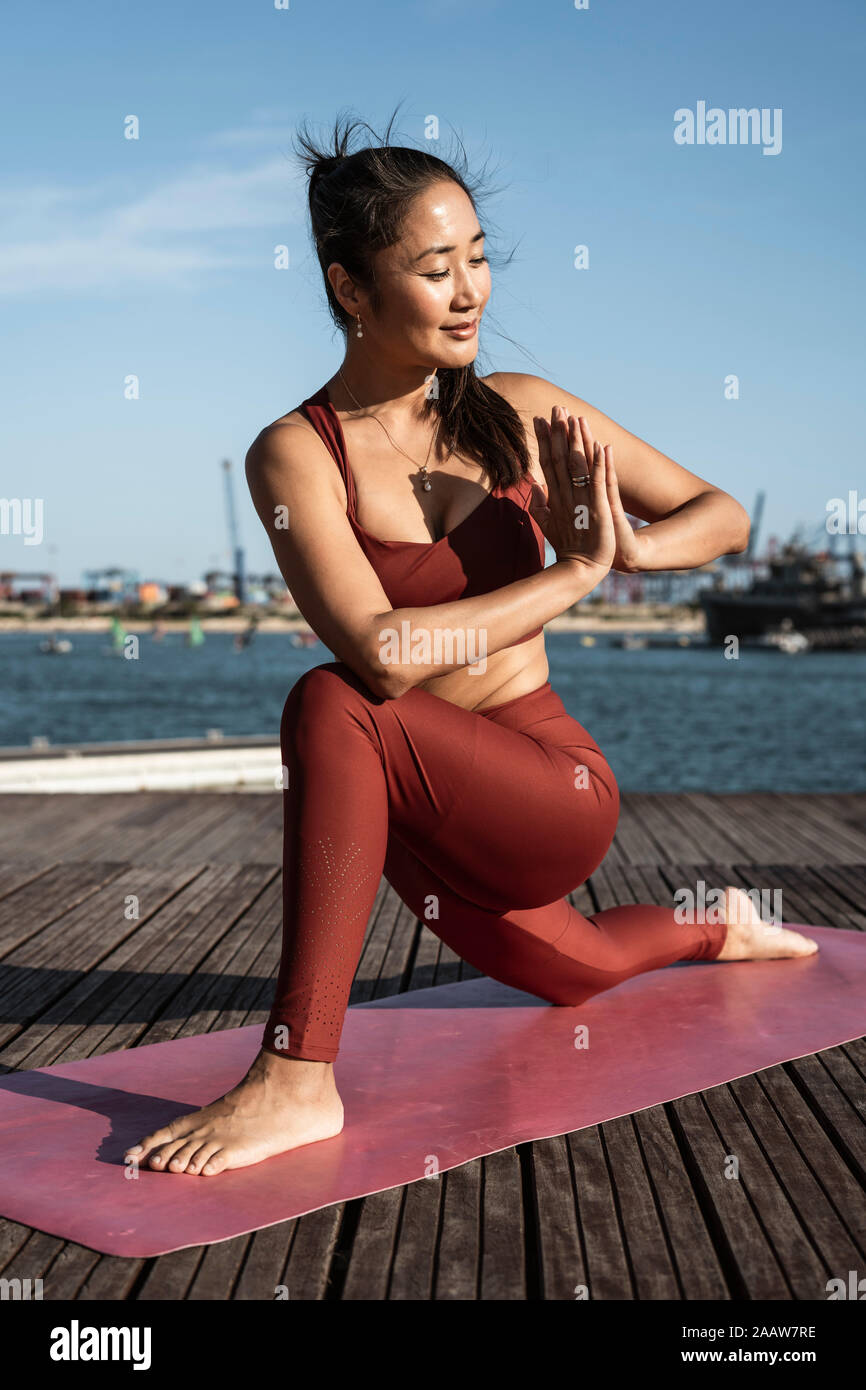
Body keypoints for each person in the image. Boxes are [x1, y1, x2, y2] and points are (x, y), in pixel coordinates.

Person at [126, 113, 816, 1178]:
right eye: (435, 268)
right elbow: (385, 649)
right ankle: (713, 925)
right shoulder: (295, 455)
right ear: (350, 288)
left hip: (551, 792)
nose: (471, 291)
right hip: (424, 806)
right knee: (576, 969)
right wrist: (572, 574)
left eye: (480, 260)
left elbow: (722, 515)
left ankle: (298, 1075)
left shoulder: (521, 412)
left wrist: (626, 545)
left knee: (328, 703)